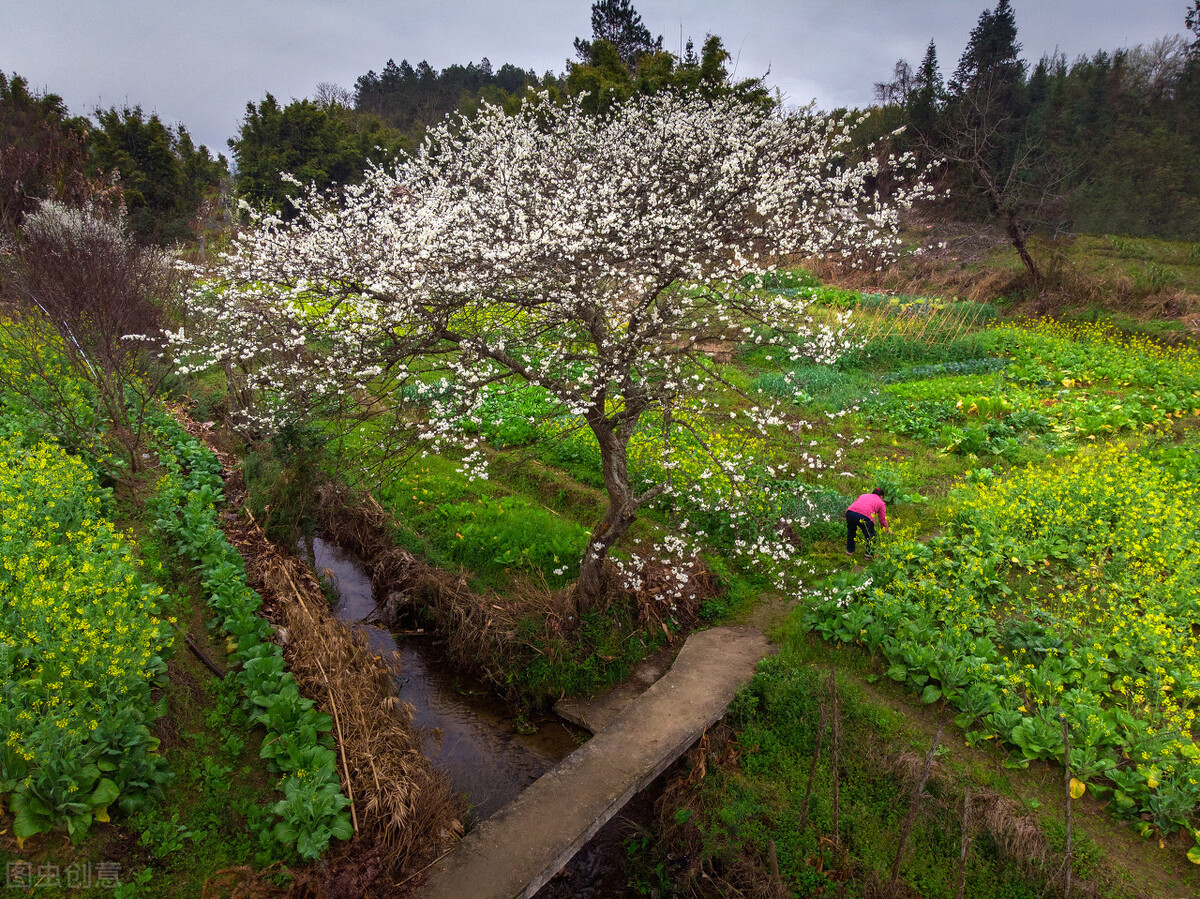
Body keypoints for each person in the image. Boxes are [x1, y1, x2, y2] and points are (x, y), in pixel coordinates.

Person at [846, 488, 888, 560]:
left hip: (850, 513)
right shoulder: (881, 503)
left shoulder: (863, 495)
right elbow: (882, 519)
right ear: (881, 496)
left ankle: (849, 551)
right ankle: (869, 555)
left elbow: (855, 503)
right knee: (871, 536)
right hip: (865, 516)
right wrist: (885, 528)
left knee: (851, 532)